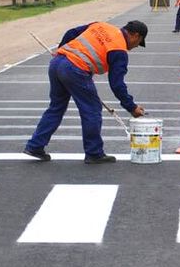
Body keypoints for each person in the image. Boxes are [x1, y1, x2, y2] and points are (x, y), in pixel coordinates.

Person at [24, 20, 148, 164]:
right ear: (136, 36)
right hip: (75, 70)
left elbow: (71, 32)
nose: (134, 47)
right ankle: (94, 153)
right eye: (138, 43)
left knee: (56, 108)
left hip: (57, 62)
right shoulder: (119, 50)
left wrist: (61, 49)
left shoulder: (101, 26)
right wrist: (132, 107)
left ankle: (35, 146)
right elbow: (117, 84)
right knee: (92, 110)